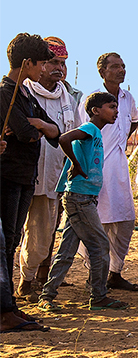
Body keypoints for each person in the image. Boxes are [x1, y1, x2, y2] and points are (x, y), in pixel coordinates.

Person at [38, 91, 129, 312]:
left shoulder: (96, 133)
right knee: (99, 245)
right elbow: (63, 138)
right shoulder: (90, 129)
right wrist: (76, 165)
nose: (116, 111)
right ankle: (98, 296)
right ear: (95, 111)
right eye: (111, 106)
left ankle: (47, 295)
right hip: (80, 199)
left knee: (67, 249)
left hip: (82, 197)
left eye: (116, 107)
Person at [17, 37, 83, 300]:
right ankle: (20, 281)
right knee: (17, 231)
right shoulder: (23, 91)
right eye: (53, 62)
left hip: (56, 173)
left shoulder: (68, 97)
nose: (59, 68)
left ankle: (32, 278)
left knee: (43, 232)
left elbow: (71, 135)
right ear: (40, 64)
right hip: (23, 171)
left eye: (63, 63)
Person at [1, 34, 59, 333]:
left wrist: (40, 126)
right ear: (28, 63)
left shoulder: (25, 95)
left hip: (25, 177)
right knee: (7, 243)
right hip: (7, 178)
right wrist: (37, 127)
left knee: (10, 242)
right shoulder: (4, 93)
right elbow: (25, 132)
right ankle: (5, 309)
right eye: (41, 64)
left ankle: (8, 304)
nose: (42, 70)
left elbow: (54, 130)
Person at [82, 52, 138, 292]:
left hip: (119, 167)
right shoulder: (92, 99)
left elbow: (135, 121)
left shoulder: (128, 97)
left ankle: (114, 272)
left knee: (126, 221)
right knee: (98, 224)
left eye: (123, 66)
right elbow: (82, 132)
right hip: (96, 167)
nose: (121, 70)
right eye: (115, 66)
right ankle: (94, 274)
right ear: (102, 72)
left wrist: (121, 139)